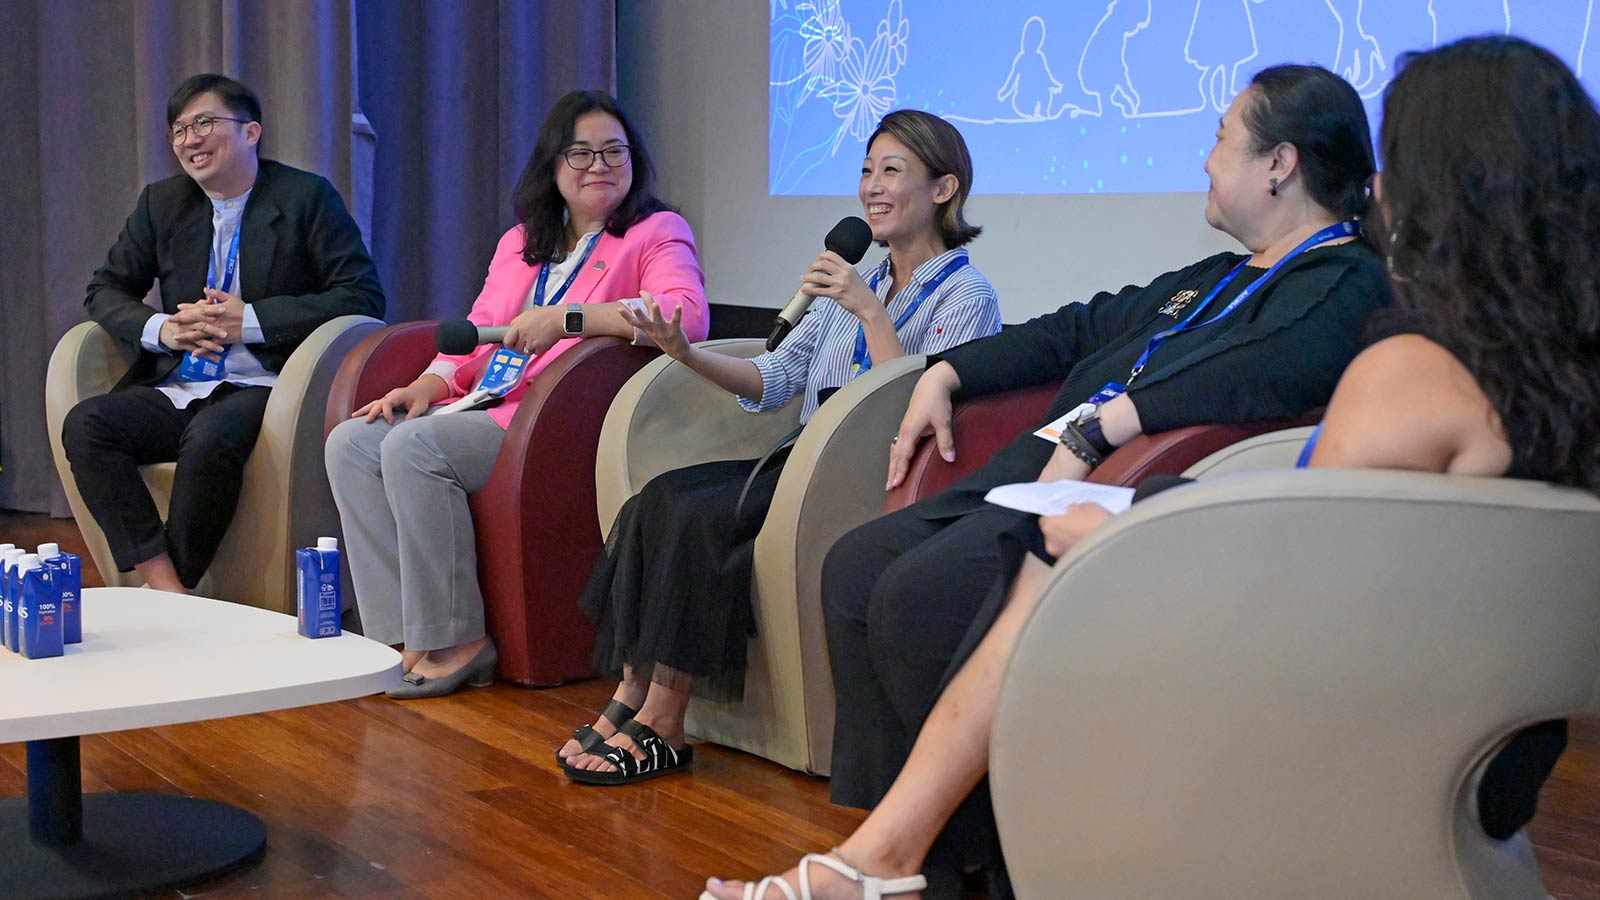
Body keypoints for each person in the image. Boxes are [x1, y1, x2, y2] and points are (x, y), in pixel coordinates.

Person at [702, 38, 1600, 900]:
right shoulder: (1548, 383)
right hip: (1485, 749)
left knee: (1037, 565)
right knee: (901, 566)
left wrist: (1132, 538)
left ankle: (895, 861)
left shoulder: (1406, 370)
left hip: (1342, 734)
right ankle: (904, 857)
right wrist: (955, 372)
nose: (1377, 189)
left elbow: (1311, 591)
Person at [559, 109, 1003, 786]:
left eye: (892, 171)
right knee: (662, 500)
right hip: (802, 459)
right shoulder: (853, 279)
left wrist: (869, 312)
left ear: (944, 189)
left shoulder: (968, 295)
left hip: (874, 474)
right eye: (865, 170)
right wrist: (687, 353)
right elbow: (773, 378)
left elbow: (909, 402)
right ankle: (633, 693)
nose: (872, 188)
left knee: (705, 519)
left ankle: (667, 721)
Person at [324, 91, 708, 700]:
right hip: (487, 406)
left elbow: (684, 318)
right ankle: (400, 638)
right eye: (580, 153)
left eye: (614, 151)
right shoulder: (523, 240)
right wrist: (429, 382)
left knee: (416, 447)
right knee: (352, 442)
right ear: (552, 165)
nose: (599, 165)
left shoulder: (655, 231)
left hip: (560, 418)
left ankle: (459, 641)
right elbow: (478, 329)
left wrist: (571, 318)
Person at [62, 73, 385, 595]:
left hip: (266, 386)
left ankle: (175, 590)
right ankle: (166, 588)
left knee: (210, 438)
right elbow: (105, 289)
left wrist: (251, 321)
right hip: (181, 383)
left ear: (251, 133)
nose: (190, 139)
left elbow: (362, 297)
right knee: (88, 425)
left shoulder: (305, 198)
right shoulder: (162, 205)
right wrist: (162, 329)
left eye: (204, 123)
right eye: (179, 130)